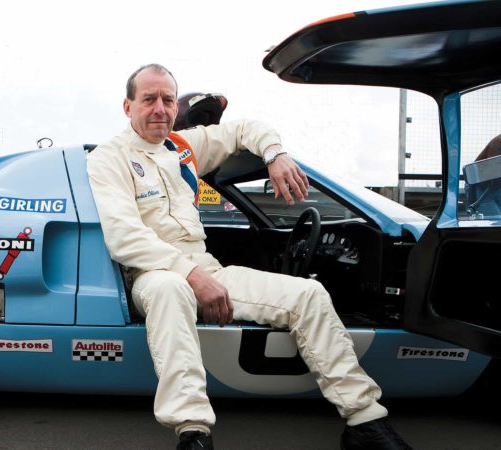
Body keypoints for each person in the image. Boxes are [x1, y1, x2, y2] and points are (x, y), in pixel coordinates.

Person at [86, 64, 412, 450]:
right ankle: (193, 431)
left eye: (168, 100)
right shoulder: (109, 157)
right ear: (128, 107)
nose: (159, 108)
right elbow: (125, 237)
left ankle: (364, 422)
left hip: (204, 268)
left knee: (309, 295)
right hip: (152, 273)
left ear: (175, 107)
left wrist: (276, 155)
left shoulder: (184, 146)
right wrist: (193, 275)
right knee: (170, 289)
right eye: (149, 99)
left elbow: (244, 129)